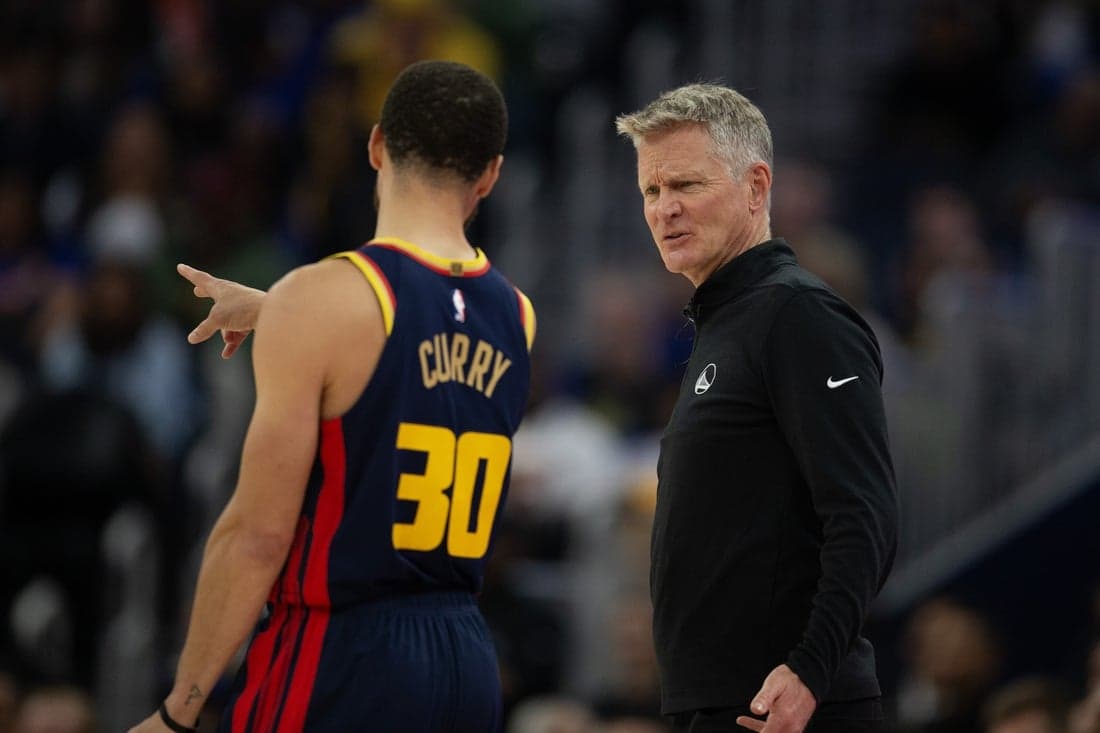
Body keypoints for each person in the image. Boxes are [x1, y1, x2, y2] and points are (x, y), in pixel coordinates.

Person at [128, 59, 535, 732]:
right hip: (465, 659)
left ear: (376, 145)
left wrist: (179, 710)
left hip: (345, 651)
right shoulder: (517, 314)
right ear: (490, 174)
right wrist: (276, 308)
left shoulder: (323, 299)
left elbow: (256, 536)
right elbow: (413, 356)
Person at [615, 84, 898, 733]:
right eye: (651, 192)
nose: (665, 209)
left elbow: (865, 514)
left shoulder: (797, 314)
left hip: (785, 707)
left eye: (685, 184)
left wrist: (809, 670)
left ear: (756, 185)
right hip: (723, 704)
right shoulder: (727, 324)